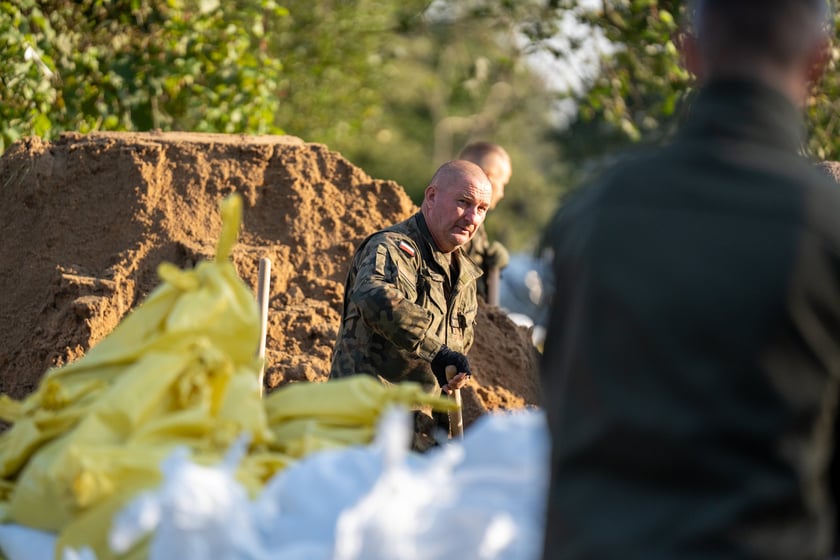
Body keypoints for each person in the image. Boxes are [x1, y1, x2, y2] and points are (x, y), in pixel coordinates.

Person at [541, 0, 839, 558]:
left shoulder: (595, 212)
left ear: (690, 55)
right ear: (817, 62)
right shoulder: (827, 225)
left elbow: (561, 416)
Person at [330, 160, 492, 448]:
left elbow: (446, 375)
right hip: (363, 427)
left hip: (418, 436)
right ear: (431, 197)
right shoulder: (393, 248)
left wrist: (446, 440)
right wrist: (437, 352)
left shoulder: (465, 277)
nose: (472, 218)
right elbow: (372, 296)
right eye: (463, 202)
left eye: (481, 209)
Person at [458, 142, 512, 303]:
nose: (502, 193)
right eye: (503, 183)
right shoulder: (458, 222)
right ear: (488, 178)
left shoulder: (475, 224)